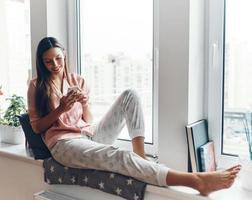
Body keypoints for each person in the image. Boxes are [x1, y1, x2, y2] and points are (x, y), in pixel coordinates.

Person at [27, 37, 241, 196]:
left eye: (58, 59)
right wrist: (60, 110)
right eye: (48, 62)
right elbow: (37, 127)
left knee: (130, 95)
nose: (55, 65)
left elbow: (88, 119)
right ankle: (196, 181)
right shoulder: (36, 86)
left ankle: (140, 154)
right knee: (120, 155)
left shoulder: (78, 80)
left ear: (65, 56)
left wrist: (83, 103)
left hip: (88, 135)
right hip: (64, 145)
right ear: (41, 63)